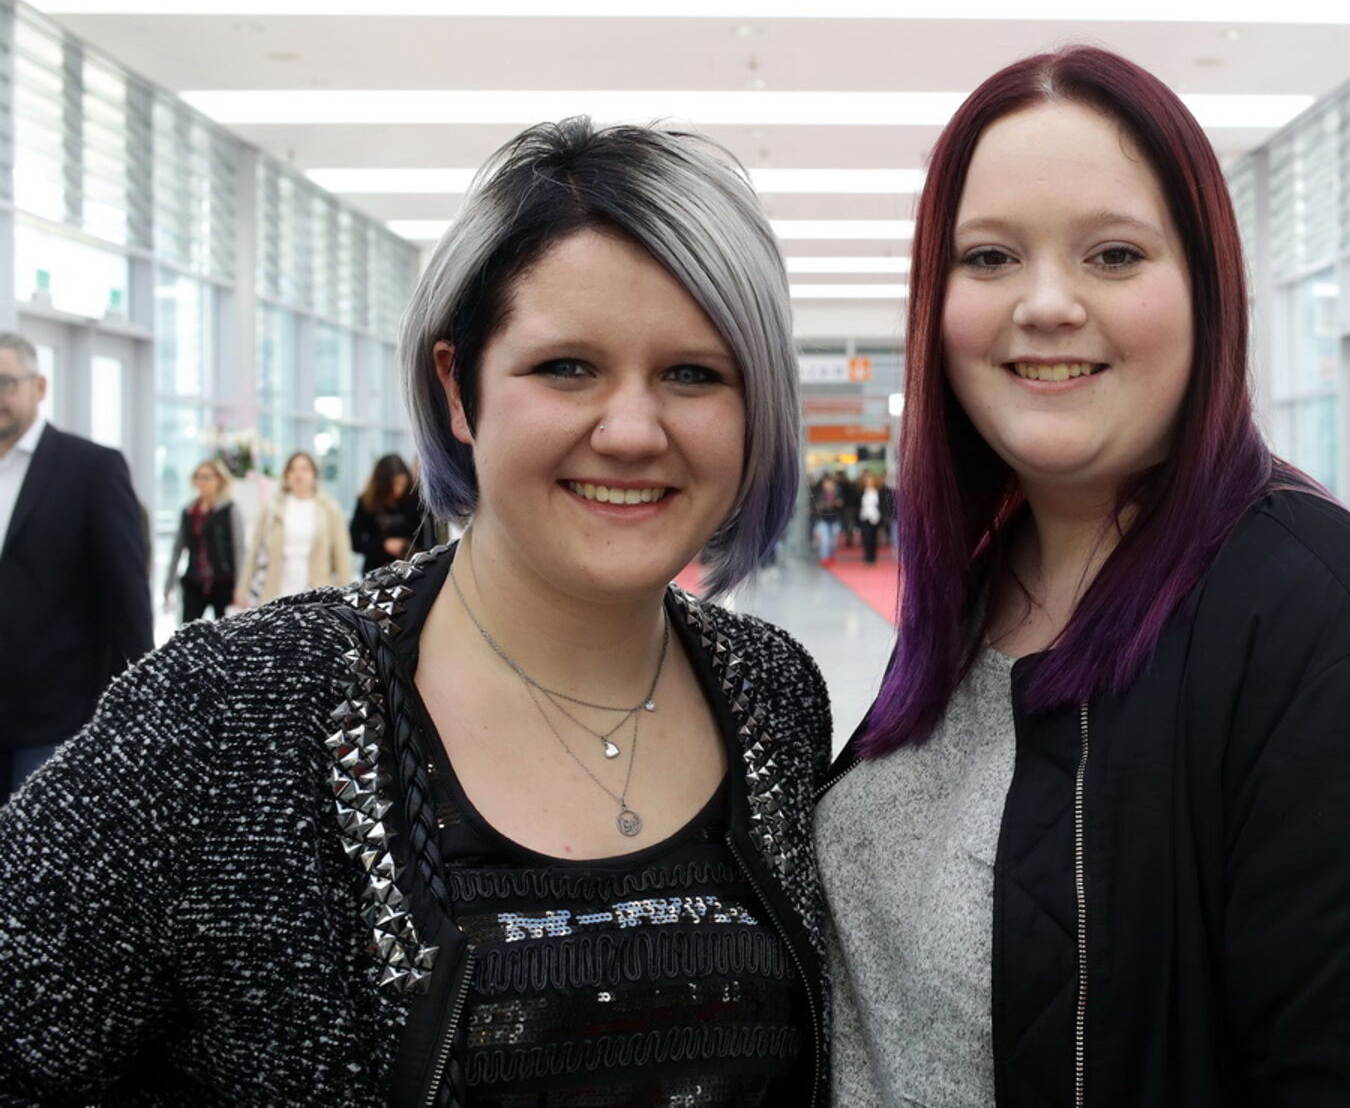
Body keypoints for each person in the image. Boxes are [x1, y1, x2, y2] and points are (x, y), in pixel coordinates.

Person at [0, 117, 832, 1104]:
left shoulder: (773, 693)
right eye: (567, 367)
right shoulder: (231, 709)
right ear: (457, 390)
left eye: (694, 373)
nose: (631, 430)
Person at [815, 47, 1350, 1105]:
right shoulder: (981, 597)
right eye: (990, 256)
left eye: (1114, 254)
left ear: (1206, 290)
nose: (1046, 303)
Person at [0, 332, 152, 802]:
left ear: (39, 386)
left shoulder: (90, 468)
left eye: (5, 383)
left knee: (39, 847)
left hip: (55, 720)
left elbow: (127, 599)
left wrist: (141, 711)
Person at [243, 450, 354, 600]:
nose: (298, 475)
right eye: (293, 470)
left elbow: (341, 556)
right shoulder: (272, 508)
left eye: (304, 469)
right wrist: (243, 588)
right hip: (277, 588)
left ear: (314, 474)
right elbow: (255, 550)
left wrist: (347, 594)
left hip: (316, 589)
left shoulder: (329, 509)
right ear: (286, 475)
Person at [162, 458, 246, 623]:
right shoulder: (189, 511)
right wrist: (168, 584)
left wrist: (240, 587)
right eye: (198, 477)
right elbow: (177, 549)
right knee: (188, 631)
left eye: (207, 477)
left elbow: (239, 549)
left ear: (219, 480)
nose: (202, 482)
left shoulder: (229, 509)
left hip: (223, 582)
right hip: (194, 581)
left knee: (224, 631)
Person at [349, 451, 428, 574]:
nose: (397, 489)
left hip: (411, 568)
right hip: (376, 570)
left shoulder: (415, 500)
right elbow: (355, 541)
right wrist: (383, 545)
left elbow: (426, 537)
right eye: (392, 485)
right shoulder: (367, 502)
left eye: (401, 484)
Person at [810, 469, 840, 564]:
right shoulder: (819, 494)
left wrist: (836, 503)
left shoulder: (838, 493)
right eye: (827, 484)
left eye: (830, 484)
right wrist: (822, 505)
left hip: (835, 519)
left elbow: (842, 505)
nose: (828, 486)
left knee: (833, 541)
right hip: (822, 519)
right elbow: (815, 506)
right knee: (825, 540)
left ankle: (831, 556)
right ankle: (824, 558)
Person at [856, 470, 882, 564]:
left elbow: (881, 505)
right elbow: (857, 504)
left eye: (871, 480)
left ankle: (872, 557)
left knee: (873, 537)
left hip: (875, 517)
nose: (869, 482)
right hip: (864, 516)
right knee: (866, 537)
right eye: (867, 480)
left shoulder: (878, 492)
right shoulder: (861, 492)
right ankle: (867, 557)